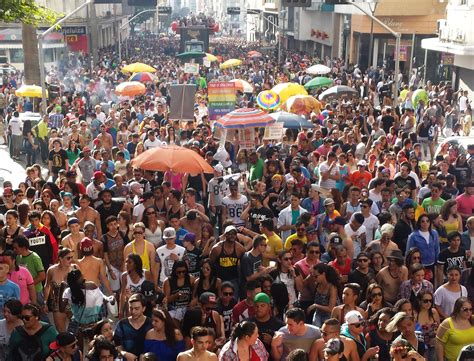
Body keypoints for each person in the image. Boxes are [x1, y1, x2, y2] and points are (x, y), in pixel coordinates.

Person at [114, 293, 153, 360]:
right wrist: (124, 353)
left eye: (136, 308)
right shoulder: (122, 324)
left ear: (143, 308)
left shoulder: (151, 323)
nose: (133, 311)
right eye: (131, 308)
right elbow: (117, 345)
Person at [436, 297, 474, 361]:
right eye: (465, 309)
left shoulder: (472, 320)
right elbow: (439, 343)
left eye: (470, 309)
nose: (469, 312)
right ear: (458, 309)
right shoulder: (447, 323)